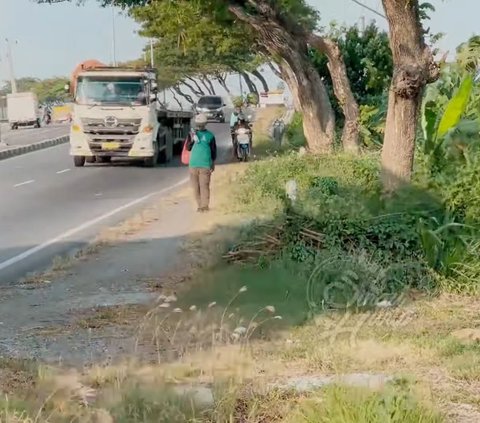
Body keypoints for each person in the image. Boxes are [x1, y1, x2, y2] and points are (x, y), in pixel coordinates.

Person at [186, 113, 217, 212]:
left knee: (204, 186)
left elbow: (213, 151)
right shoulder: (192, 134)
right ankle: (200, 206)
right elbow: (188, 147)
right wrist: (192, 138)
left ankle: (205, 206)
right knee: (196, 187)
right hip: (193, 165)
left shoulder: (210, 136)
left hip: (204, 165)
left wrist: (212, 163)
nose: (199, 126)